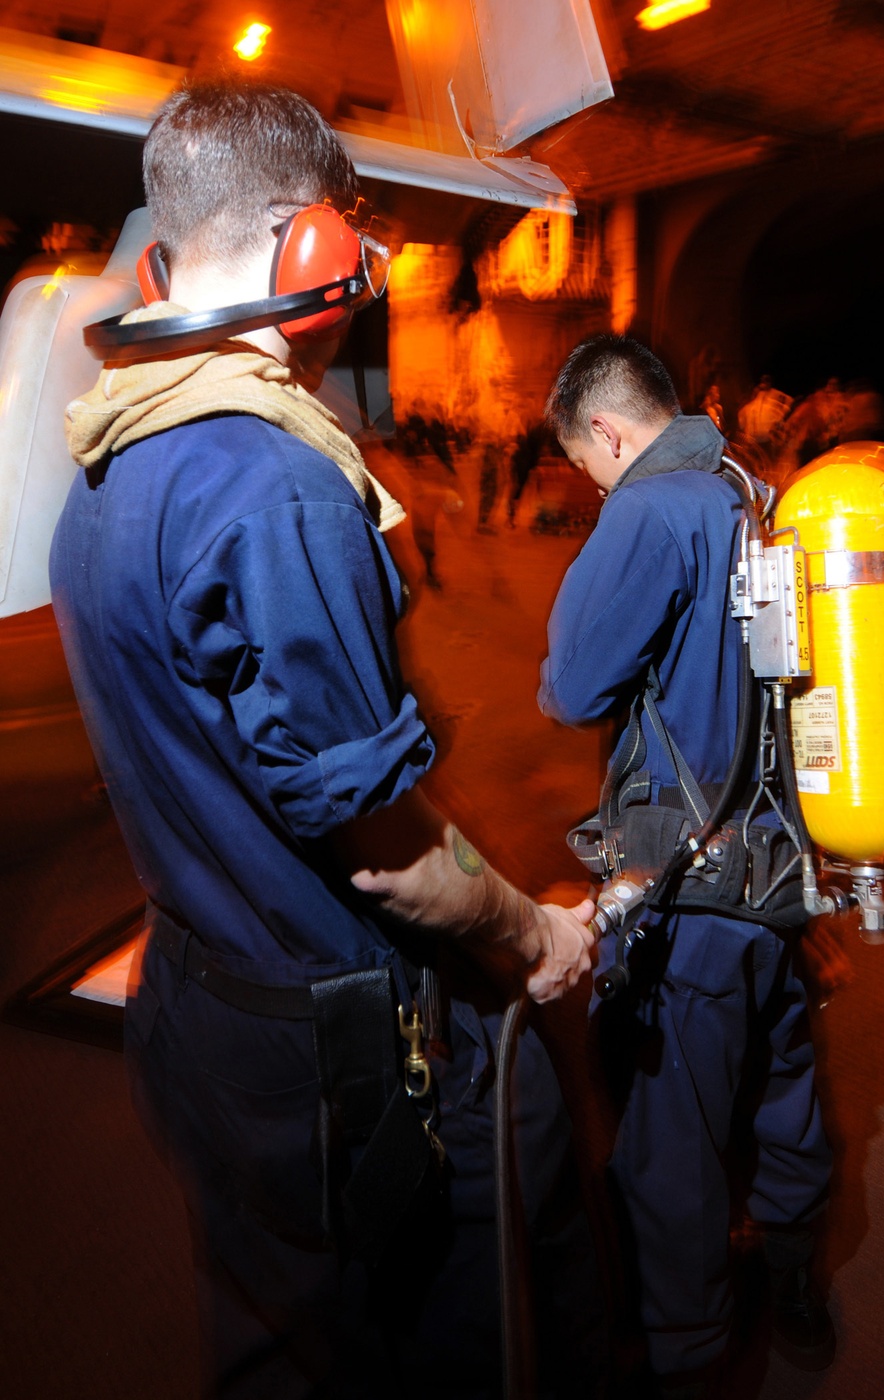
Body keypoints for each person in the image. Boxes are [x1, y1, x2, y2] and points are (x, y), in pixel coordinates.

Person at [49, 81, 595, 1398]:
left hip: (196, 1006)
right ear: (317, 250)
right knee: (431, 1329)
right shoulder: (273, 483)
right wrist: (535, 933)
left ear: (166, 257)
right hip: (328, 1052)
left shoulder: (112, 460)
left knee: (274, 1335)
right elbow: (385, 854)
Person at [538, 334, 833, 1396]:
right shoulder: (754, 488)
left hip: (688, 882)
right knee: (784, 1072)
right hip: (784, 863)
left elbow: (570, 687)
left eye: (588, 464)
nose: (594, 483)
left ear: (609, 431)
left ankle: (688, 1355)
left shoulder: (650, 509)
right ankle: (797, 1273)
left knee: (671, 1139)